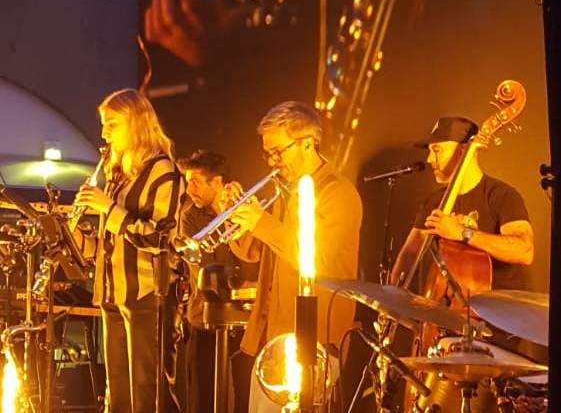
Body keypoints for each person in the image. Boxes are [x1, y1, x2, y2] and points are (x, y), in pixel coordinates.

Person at [228, 101, 363, 412]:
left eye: (279, 152)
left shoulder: (338, 193)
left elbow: (318, 260)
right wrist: (235, 217)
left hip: (312, 342)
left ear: (306, 143)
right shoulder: (286, 193)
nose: (273, 163)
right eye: (268, 154)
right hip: (272, 338)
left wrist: (261, 223)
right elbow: (253, 253)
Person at [73, 88, 181, 413]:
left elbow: (159, 238)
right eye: (103, 125)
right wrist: (74, 236)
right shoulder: (117, 177)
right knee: (117, 393)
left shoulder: (163, 171)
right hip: (112, 294)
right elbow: (105, 247)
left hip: (146, 294)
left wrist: (109, 209)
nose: (104, 133)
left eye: (112, 124)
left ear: (136, 123)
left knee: (145, 393)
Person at [389, 116, 535, 293]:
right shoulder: (435, 201)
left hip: (498, 313)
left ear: (463, 150)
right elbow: (409, 255)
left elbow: (525, 250)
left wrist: (463, 233)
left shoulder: (502, 196)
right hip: (449, 310)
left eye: (436, 150)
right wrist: (392, 300)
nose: (429, 159)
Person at [173, 149, 259, 413]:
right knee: (203, 394)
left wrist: (231, 213)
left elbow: (254, 259)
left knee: (246, 392)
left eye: (196, 182)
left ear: (218, 182)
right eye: (188, 182)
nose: (190, 190)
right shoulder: (190, 215)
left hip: (246, 317)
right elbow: (202, 265)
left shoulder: (247, 210)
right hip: (205, 315)